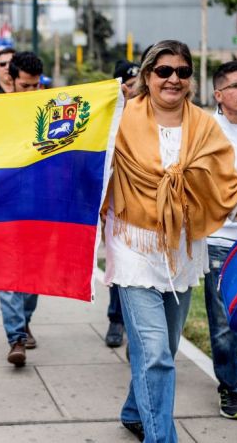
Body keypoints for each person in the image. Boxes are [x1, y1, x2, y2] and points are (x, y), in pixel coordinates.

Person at [103, 40, 237, 442]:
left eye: (183, 72)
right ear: (148, 74)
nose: (174, 79)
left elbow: (230, 185)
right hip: (133, 245)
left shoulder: (205, 125)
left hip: (184, 249)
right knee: (154, 353)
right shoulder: (120, 116)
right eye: (164, 71)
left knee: (165, 348)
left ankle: (134, 409)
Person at [203, 60, 237, 420]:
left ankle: (231, 357)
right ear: (218, 94)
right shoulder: (206, 132)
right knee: (222, 322)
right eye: (236, 86)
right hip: (219, 240)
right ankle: (231, 388)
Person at [0, 51, 43, 368]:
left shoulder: (50, 111)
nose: (30, 92)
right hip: (2, 207)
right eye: (24, 86)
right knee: (9, 272)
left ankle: (24, 320)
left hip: (39, 207)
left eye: (35, 86)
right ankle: (15, 336)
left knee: (34, 275)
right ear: (11, 81)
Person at [104, 59, 141, 349]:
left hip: (149, 214)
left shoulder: (152, 115)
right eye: (129, 85)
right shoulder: (109, 117)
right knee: (121, 269)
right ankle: (116, 320)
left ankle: (138, 332)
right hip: (117, 209)